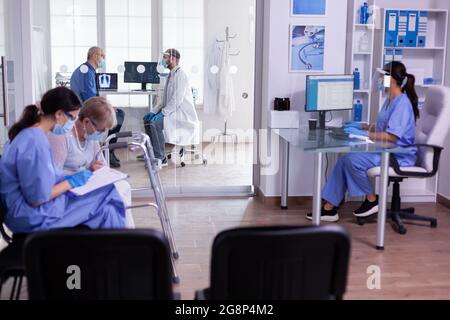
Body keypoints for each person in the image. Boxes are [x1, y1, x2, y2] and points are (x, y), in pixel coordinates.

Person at [0, 87, 127, 234]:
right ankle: (120, 251)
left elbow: (42, 179)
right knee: (109, 193)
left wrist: (70, 178)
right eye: (72, 118)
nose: (73, 124)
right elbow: (37, 198)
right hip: (29, 215)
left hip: (30, 209)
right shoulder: (35, 141)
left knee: (108, 211)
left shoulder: (31, 134)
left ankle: (109, 253)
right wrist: (70, 182)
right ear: (59, 114)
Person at [307, 61, 419, 222]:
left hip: (398, 155)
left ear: (391, 79)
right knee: (344, 159)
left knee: (352, 160)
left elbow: (392, 136)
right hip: (386, 149)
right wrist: (363, 126)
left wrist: (363, 134)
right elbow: (382, 127)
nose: (379, 81)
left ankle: (372, 200)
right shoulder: (389, 100)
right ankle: (329, 208)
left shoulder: (402, 103)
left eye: (382, 77)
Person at [48, 96, 135, 228]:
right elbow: (52, 179)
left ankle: (125, 241)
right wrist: (87, 171)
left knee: (119, 194)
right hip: (67, 191)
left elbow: (101, 165)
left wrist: (101, 171)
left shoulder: (91, 137)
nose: (102, 134)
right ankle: (128, 239)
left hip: (85, 186)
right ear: (87, 122)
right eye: (101, 130)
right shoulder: (62, 137)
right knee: (117, 193)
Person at [70, 46, 125, 168]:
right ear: (95, 56)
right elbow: (91, 99)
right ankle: (108, 151)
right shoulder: (87, 73)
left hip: (84, 106)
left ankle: (109, 150)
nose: (103, 59)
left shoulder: (85, 70)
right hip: (85, 110)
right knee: (119, 114)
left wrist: (108, 105)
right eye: (102, 56)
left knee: (117, 112)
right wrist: (107, 107)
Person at [143, 48, 200, 164]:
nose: (163, 60)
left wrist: (162, 114)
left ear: (173, 59)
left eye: (165, 57)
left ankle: (160, 157)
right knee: (147, 120)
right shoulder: (171, 75)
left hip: (181, 114)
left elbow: (176, 100)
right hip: (172, 111)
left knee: (154, 123)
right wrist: (153, 112)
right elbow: (165, 100)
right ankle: (152, 152)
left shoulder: (181, 75)